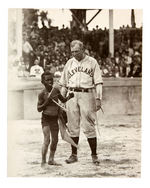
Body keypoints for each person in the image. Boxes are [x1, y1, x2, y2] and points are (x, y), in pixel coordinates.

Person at [59, 40, 103, 165]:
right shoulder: (69, 62)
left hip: (87, 94)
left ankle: (94, 155)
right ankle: (74, 155)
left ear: (82, 49)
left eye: (76, 51)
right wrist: (62, 102)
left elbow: (98, 82)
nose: (74, 54)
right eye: (72, 52)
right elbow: (63, 84)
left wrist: (99, 98)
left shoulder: (92, 62)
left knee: (89, 125)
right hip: (71, 95)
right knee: (73, 126)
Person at [37, 71, 74, 166]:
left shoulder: (56, 91)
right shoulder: (42, 93)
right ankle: (43, 161)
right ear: (42, 82)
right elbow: (39, 109)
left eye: (51, 79)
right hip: (46, 119)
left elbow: (63, 100)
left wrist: (69, 96)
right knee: (47, 140)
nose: (50, 81)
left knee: (55, 140)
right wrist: (47, 102)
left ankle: (51, 159)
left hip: (54, 119)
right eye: (47, 80)